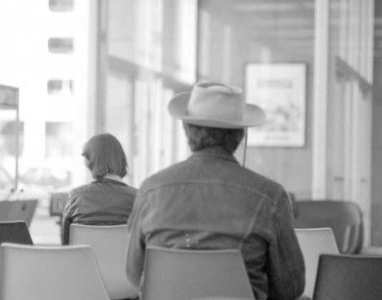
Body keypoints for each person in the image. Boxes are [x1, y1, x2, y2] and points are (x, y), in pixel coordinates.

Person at [126, 82, 305, 300]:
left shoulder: (150, 190)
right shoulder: (271, 196)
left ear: (186, 130)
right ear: (240, 135)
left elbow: (135, 274)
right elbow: (290, 287)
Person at [60, 133, 137, 245]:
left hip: (83, 262)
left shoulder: (76, 197)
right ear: (122, 160)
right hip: (123, 262)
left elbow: (66, 246)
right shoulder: (139, 198)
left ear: (89, 162)